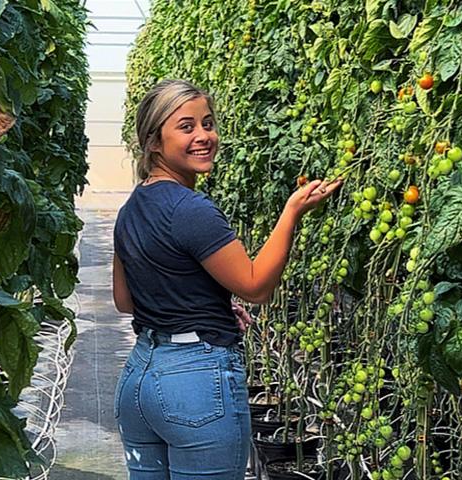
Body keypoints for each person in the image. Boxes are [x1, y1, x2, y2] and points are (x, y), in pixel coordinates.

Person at [111, 79, 341, 479]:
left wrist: (203, 300)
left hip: (139, 379)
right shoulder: (192, 209)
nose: (204, 136)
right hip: (193, 385)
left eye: (208, 123)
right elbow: (255, 286)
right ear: (153, 142)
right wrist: (292, 213)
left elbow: (125, 299)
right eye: (186, 127)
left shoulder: (133, 206)